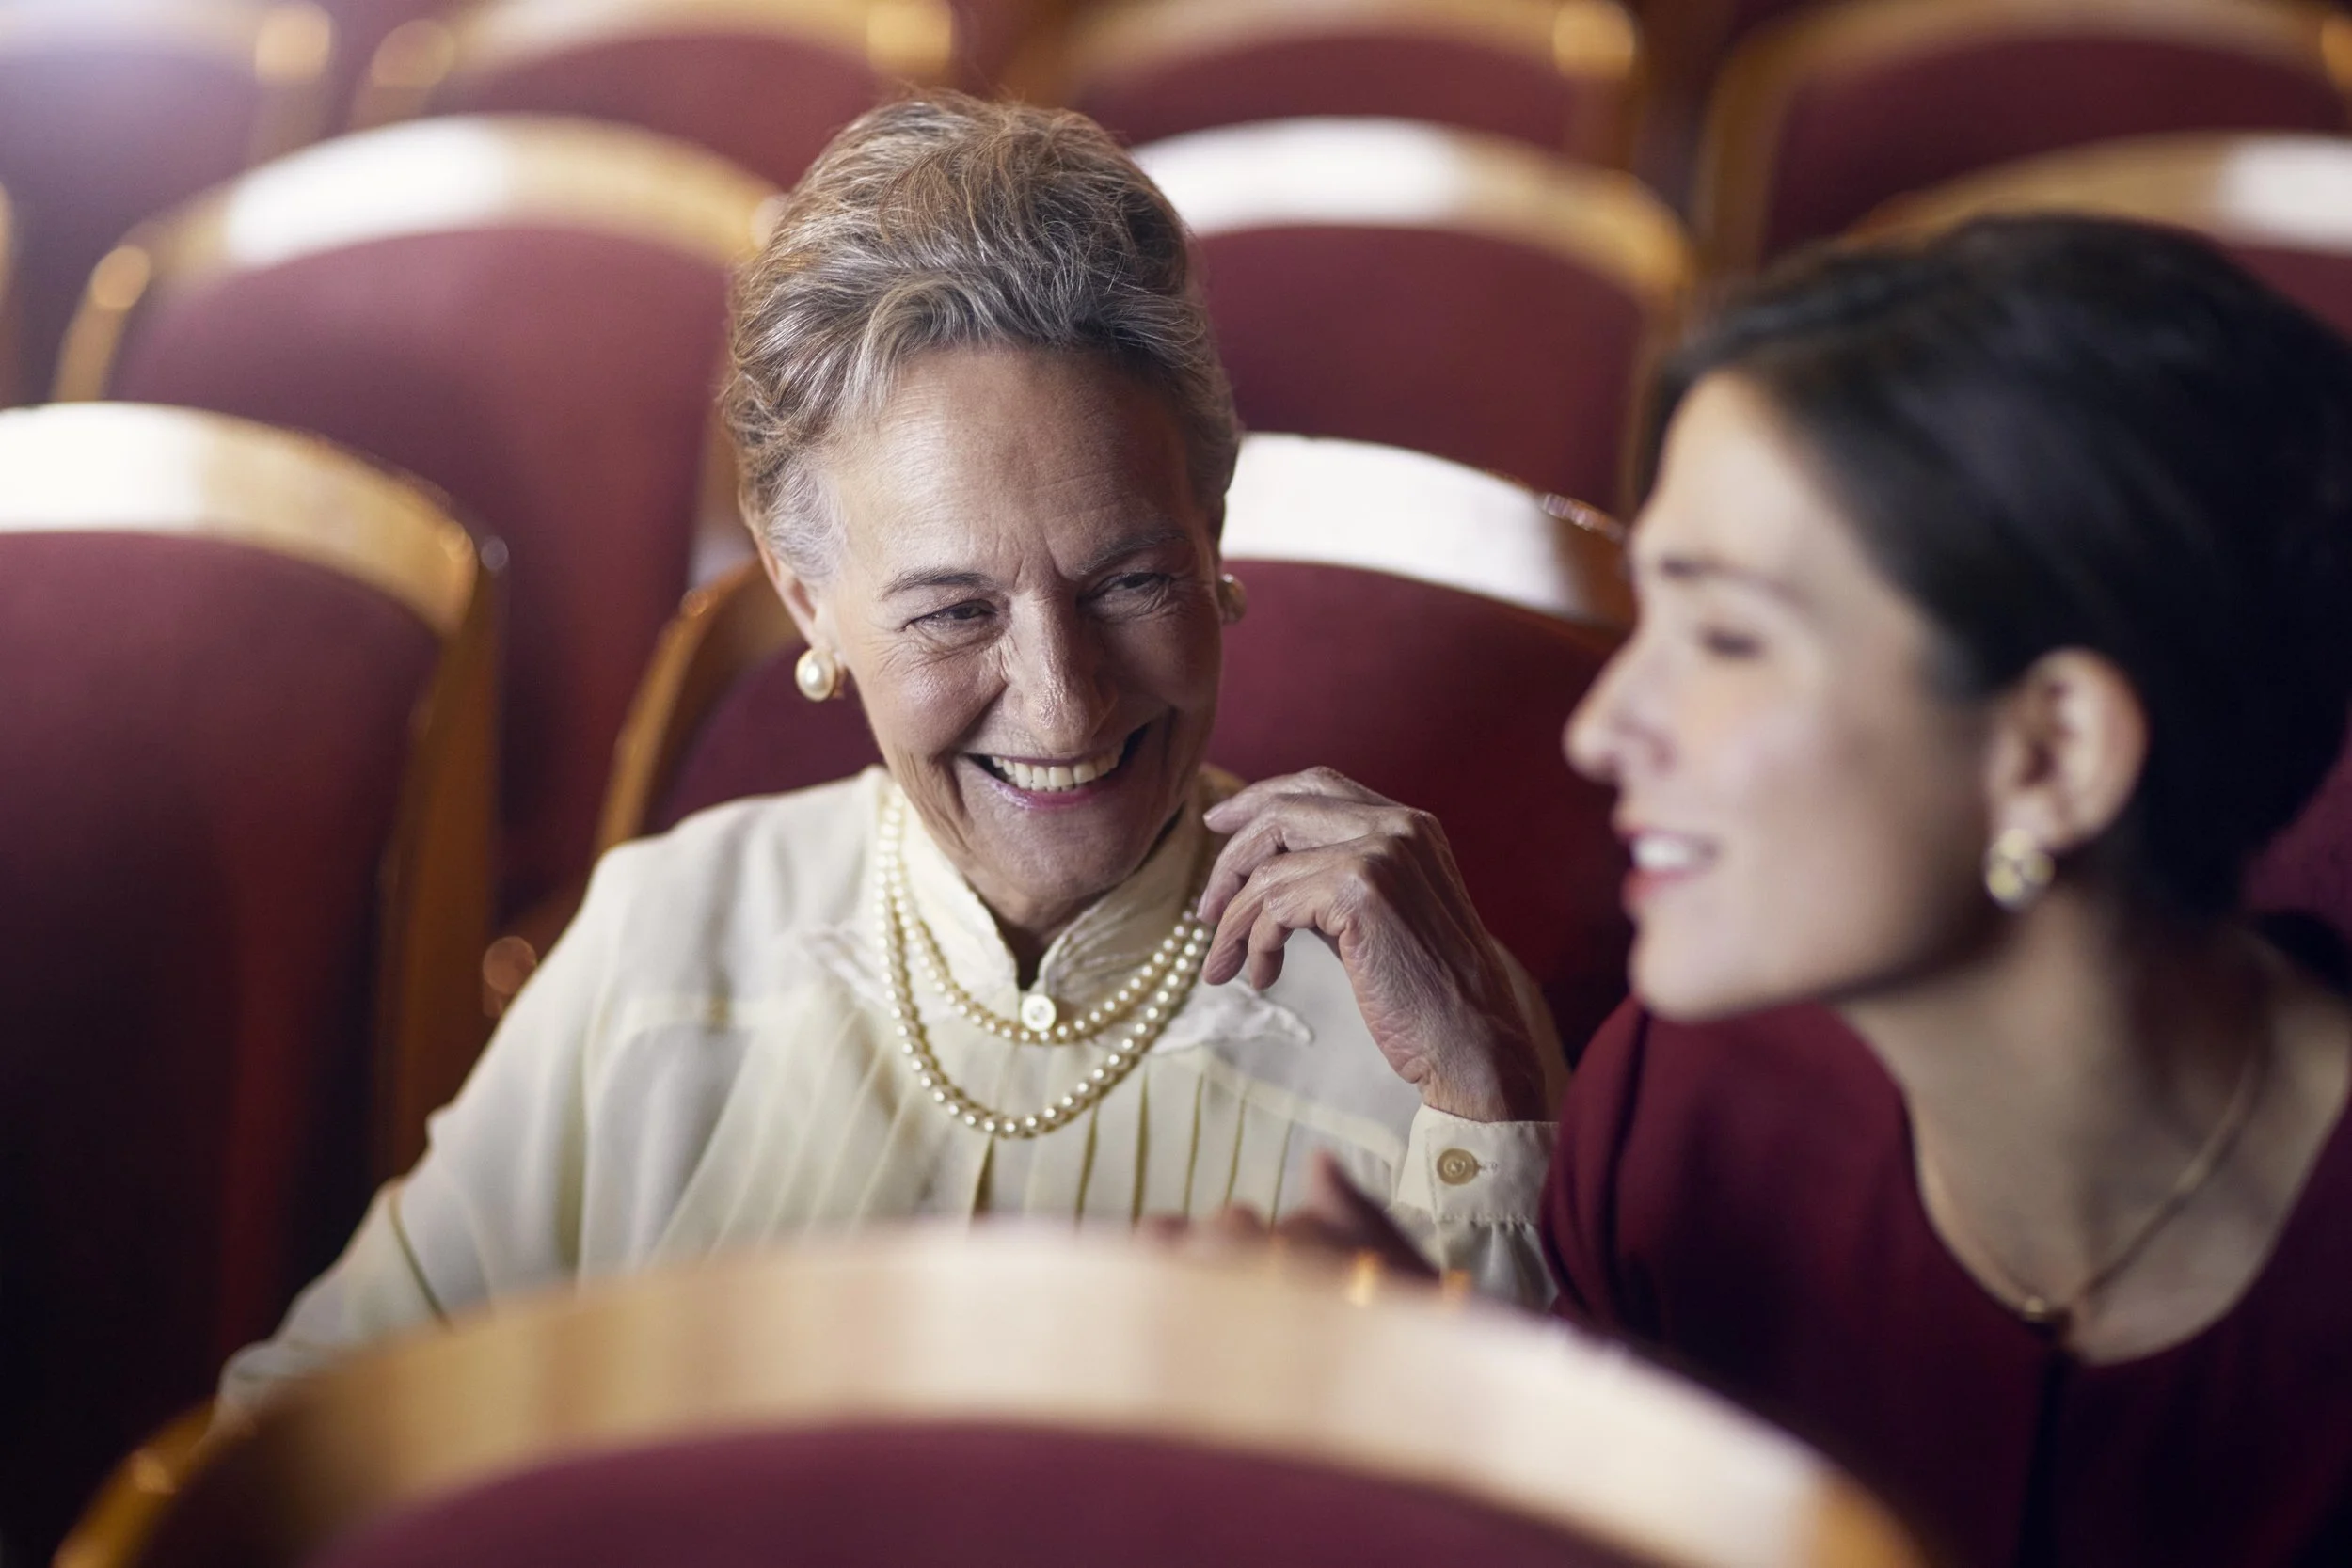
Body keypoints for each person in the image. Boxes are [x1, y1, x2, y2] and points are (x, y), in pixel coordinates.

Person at [216, 94, 1562, 1415]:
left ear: (1213, 535)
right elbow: (306, 1441)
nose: (1063, 702)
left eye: (1128, 583)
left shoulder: (1419, 1029)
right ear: (810, 599)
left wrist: (1495, 1122)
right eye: (954, 612)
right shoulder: (668, 938)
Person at [1226, 217, 2352, 1566]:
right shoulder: (1676, 1108)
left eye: (1729, 637)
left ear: (2053, 751)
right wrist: (1476, 1439)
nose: (1602, 728)